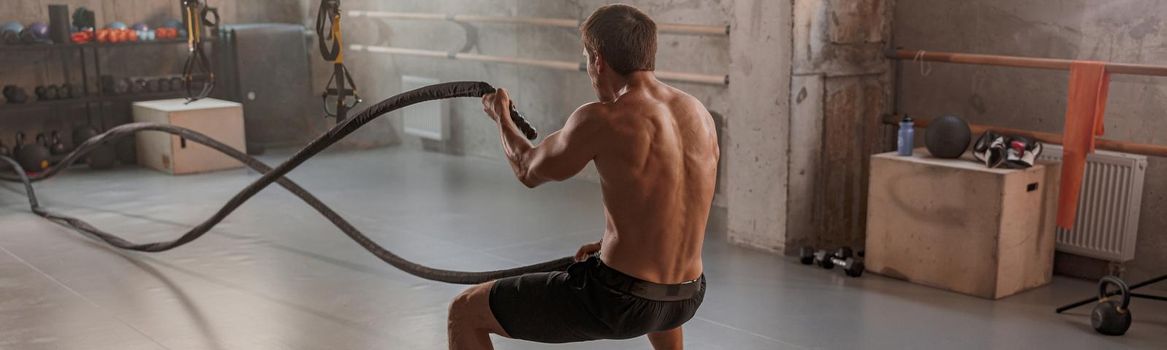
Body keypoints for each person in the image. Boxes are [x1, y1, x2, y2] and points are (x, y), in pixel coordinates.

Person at [448, 4, 719, 350]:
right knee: (659, 305)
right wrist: (613, 244)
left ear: (598, 60)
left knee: (464, 311)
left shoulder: (604, 118)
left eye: (588, 59)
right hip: (687, 295)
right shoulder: (698, 114)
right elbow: (673, 199)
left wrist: (501, 116)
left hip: (617, 299)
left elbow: (527, 169)